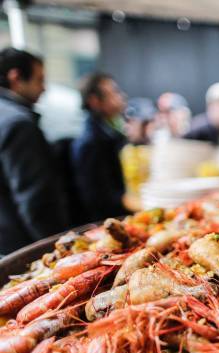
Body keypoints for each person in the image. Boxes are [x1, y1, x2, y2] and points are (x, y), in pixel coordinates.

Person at [0, 47, 70, 254]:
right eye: (40, 80)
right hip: (21, 243)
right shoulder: (17, 123)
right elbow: (34, 198)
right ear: (16, 77)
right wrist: (54, 250)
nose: (44, 89)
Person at [71, 72, 128, 222]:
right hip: (106, 222)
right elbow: (98, 198)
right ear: (94, 101)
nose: (121, 96)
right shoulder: (90, 142)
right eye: (114, 92)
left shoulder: (108, 131)